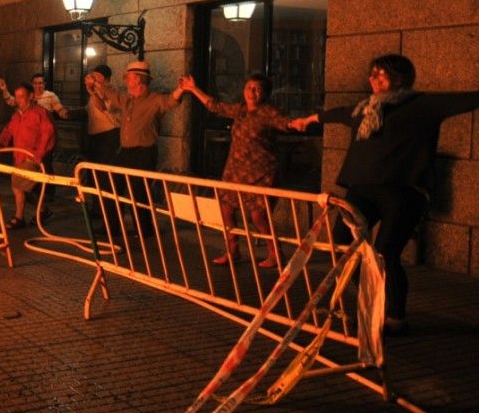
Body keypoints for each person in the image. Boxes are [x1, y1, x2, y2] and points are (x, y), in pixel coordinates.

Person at [290, 54, 479, 335]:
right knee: (343, 246)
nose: (373, 80)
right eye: (372, 74)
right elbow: (337, 113)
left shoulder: (421, 105)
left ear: (400, 78)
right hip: (361, 190)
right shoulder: (364, 109)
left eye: (381, 75)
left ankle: (395, 317)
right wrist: (308, 120)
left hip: (402, 192)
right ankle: (372, 299)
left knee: (386, 253)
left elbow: (466, 100)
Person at [180, 73, 290, 267]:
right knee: (226, 210)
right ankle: (232, 251)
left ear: (265, 93)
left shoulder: (268, 112)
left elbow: (286, 123)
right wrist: (192, 88)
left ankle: (276, 254)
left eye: (257, 88)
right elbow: (215, 106)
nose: (252, 92)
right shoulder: (240, 110)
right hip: (236, 169)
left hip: (260, 172)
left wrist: (303, 122)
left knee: (258, 216)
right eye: (249, 87)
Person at [85, 60, 184, 236]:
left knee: (139, 193)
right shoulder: (126, 99)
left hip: (144, 153)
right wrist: (95, 83)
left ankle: (144, 230)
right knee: (112, 188)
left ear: (138, 80)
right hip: (125, 151)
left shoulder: (154, 100)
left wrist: (182, 88)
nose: (126, 81)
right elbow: (110, 93)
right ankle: (113, 227)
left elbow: (170, 101)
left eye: (128, 78)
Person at [0, 83, 56, 229]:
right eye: (16, 97)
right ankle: (42, 210)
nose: (18, 100)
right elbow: (7, 132)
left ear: (30, 96)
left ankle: (20, 216)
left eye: (21, 97)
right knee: (21, 188)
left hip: (32, 158)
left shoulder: (40, 113)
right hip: (19, 157)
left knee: (18, 186)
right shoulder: (17, 116)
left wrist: (38, 155)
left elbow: (48, 134)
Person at [5, 73, 69, 200]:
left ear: (44, 84)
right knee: (27, 172)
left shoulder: (50, 96)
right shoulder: (25, 99)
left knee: (45, 166)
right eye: (36, 83)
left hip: (43, 139)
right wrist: (3, 89)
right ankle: (35, 195)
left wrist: (65, 113)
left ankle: (47, 194)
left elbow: (59, 109)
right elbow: (11, 101)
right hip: (29, 142)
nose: (38, 85)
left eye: (41, 83)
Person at [84, 64, 119, 165]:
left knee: (104, 168)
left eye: (93, 77)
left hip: (108, 135)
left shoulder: (111, 90)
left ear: (100, 77)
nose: (90, 79)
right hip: (95, 135)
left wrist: (93, 93)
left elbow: (102, 107)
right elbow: (89, 109)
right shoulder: (96, 91)